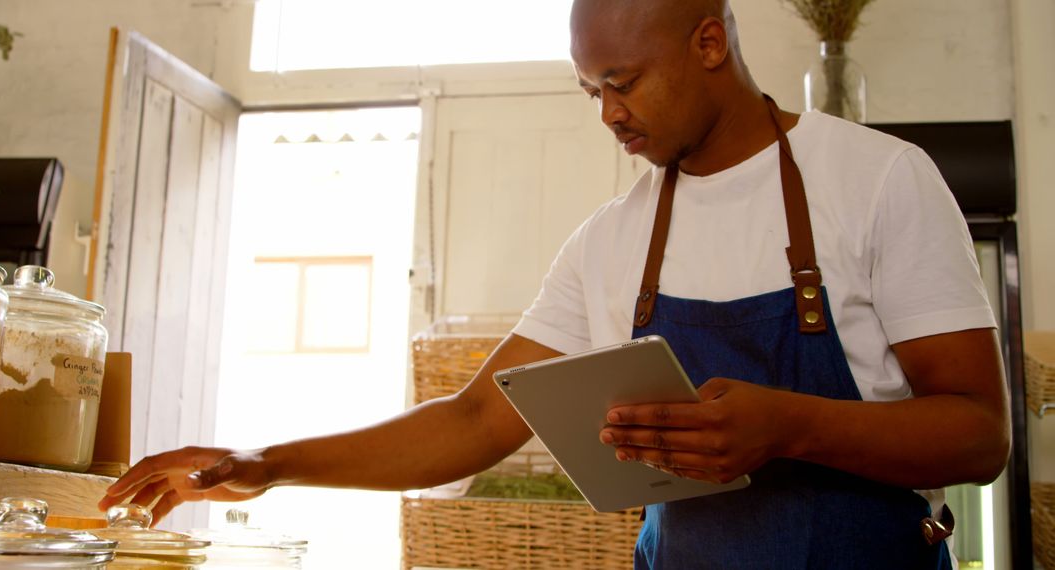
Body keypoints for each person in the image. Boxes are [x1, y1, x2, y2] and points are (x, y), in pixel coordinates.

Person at [99, 0, 1010, 567]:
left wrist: (790, 424)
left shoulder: (879, 178)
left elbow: (977, 436)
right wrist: (269, 464)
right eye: (590, 92)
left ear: (707, 43)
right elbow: (472, 421)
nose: (610, 115)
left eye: (624, 82)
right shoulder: (608, 244)